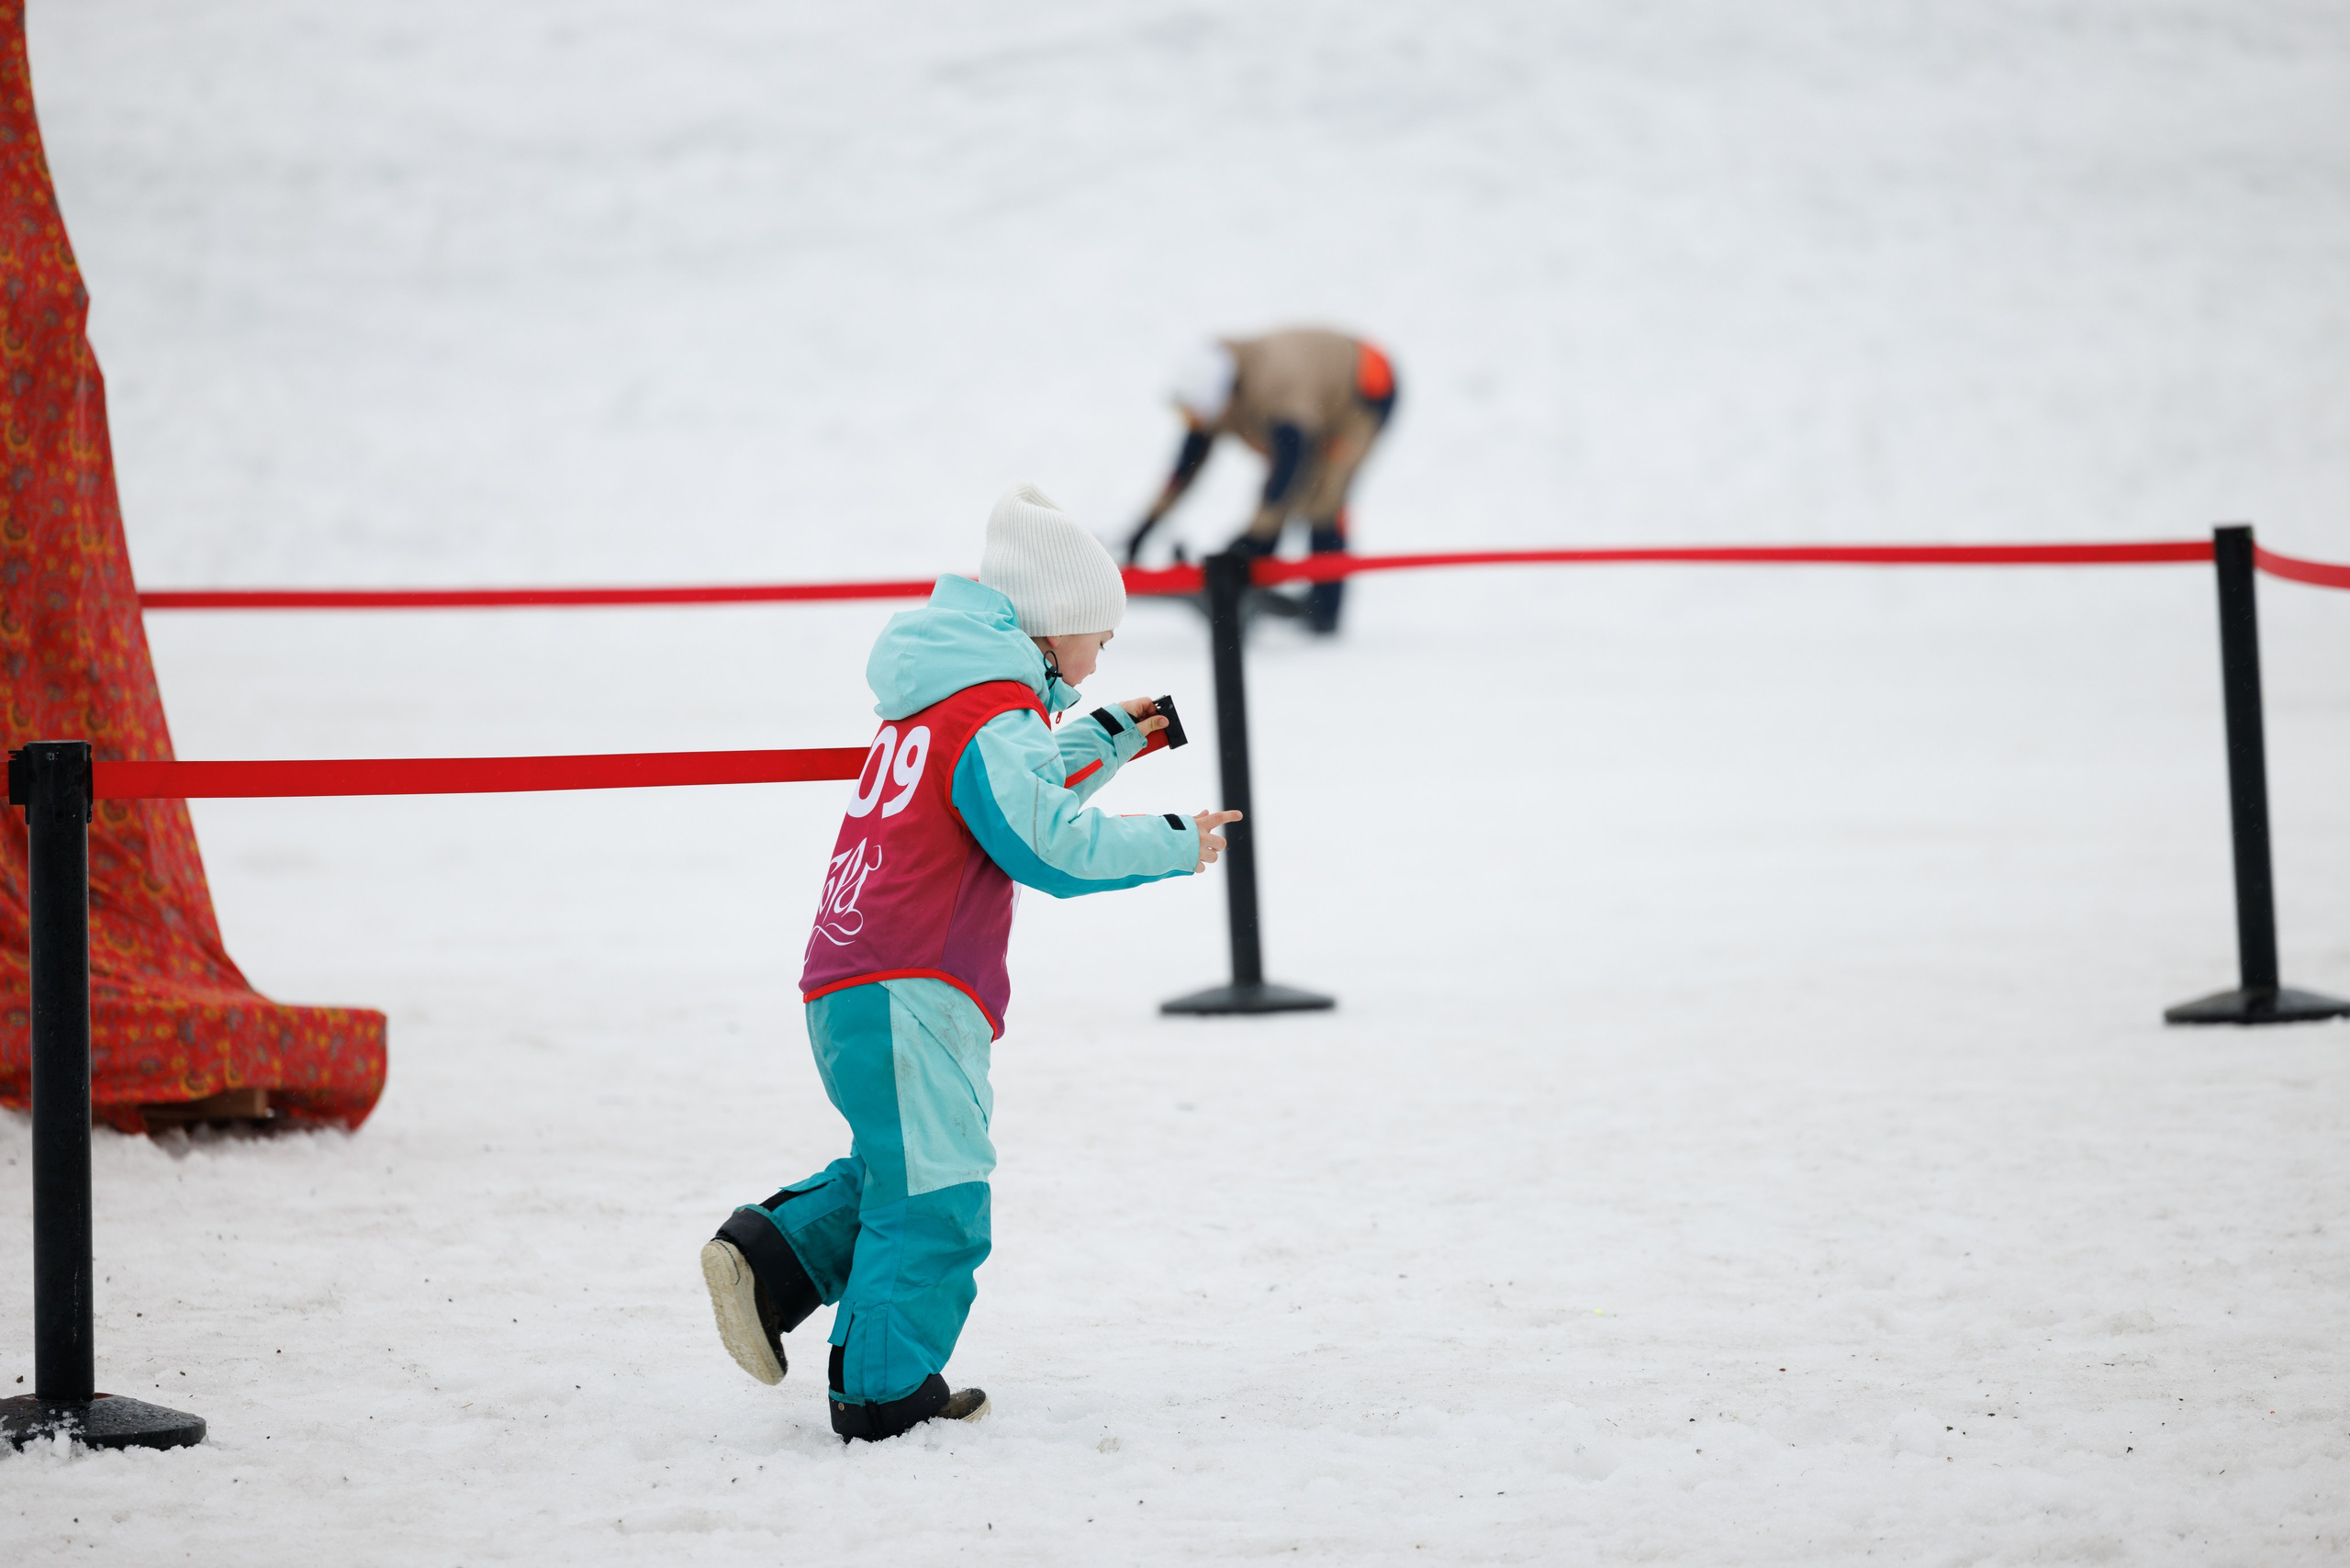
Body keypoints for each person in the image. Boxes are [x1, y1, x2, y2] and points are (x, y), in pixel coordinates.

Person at [699, 484, 1242, 1443]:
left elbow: (1005, 791)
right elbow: (1045, 841)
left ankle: (774, 1257)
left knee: (907, 1165)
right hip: (914, 985)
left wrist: (1113, 735)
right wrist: (1173, 842)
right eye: (1097, 639)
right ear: (1053, 626)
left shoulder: (945, 698)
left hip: (852, 977)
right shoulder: (993, 708)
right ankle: (882, 1392)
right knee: (941, 1194)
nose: (1097, 657)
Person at [1125, 326, 1399, 633]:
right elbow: (1186, 468)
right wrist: (1145, 526)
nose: (1196, 425)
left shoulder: (1277, 392)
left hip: (1363, 388)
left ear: (1224, 399)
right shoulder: (1214, 386)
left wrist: (1251, 541)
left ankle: (1325, 609)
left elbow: (1288, 470)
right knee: (1279, 501)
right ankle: (1253, 579)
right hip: (1313, 397)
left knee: (1322, 498)